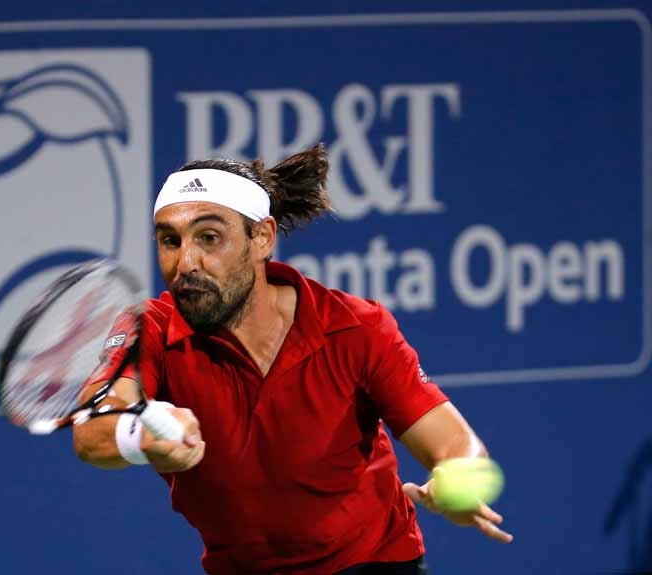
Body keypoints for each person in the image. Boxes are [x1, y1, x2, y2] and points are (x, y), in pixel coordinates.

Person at [73, 144, 513, 575]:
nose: (185, 262)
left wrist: (457, 479)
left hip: (373, 563)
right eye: (170, 240)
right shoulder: (148, 329)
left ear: (262, 238)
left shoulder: (355, 327)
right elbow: (92, 429)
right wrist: (142, 434)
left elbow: (455, 444)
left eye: (209, 237)